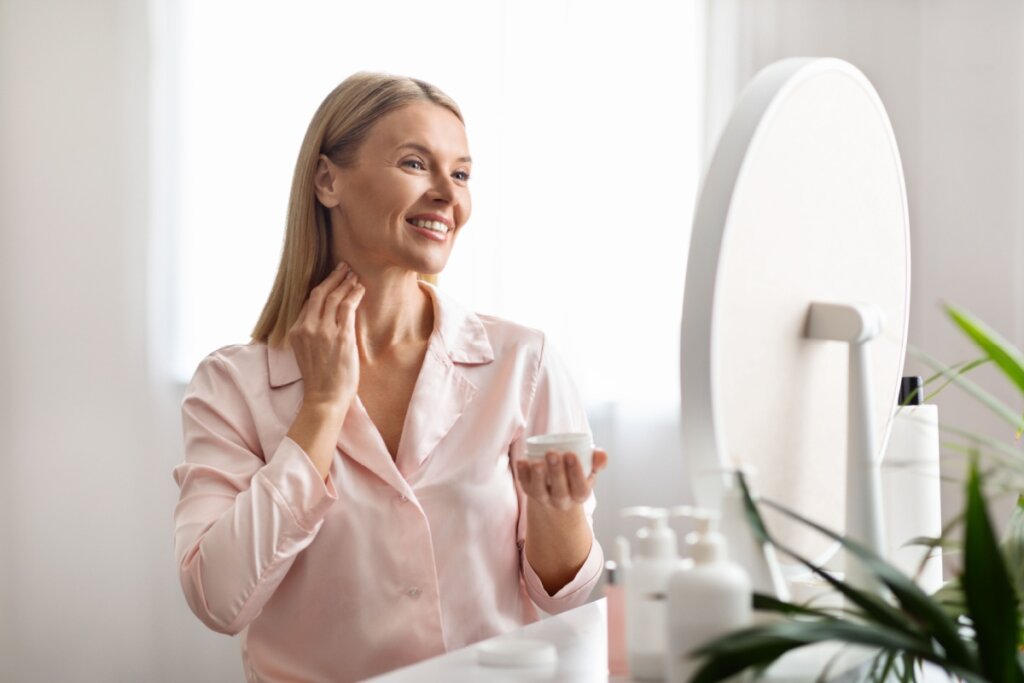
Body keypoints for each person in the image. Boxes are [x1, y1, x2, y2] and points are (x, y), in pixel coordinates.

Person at [172, 71, 609, 682]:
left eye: (461, 174)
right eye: (415, 164)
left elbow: (568, 600)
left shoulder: (522, 363)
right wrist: (321, 409)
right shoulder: (232, 386)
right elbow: (219, 600)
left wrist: (557, 512)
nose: (447, 194)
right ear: (328, 180)